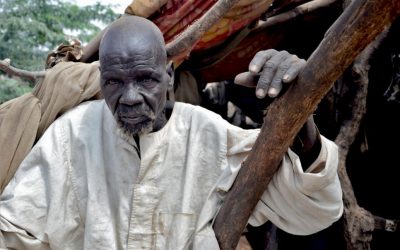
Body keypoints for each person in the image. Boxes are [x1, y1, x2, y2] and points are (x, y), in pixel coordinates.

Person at [0, 15, 342, 249]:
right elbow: (15, 230)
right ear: (100, 80)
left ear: (168, 76)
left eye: (145, 79)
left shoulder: (212, 137)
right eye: (114, 83)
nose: (130, 98)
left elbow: (314, 211)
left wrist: (299, 119)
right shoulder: (70, 136)